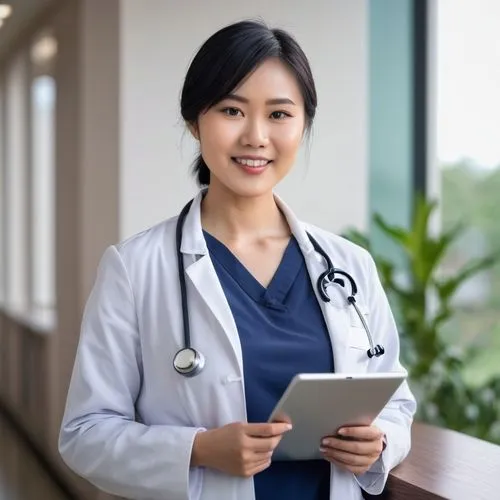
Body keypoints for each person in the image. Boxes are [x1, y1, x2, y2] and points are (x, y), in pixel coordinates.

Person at [59, 19, 416, 500]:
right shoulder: (134, 268)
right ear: (195, 121)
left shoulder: (348, 265)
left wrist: (380, 442)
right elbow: (85, 435)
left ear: (303, 123)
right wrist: (198, 450)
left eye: (279, 114)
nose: (255, 136)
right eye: (231, 110)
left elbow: (394, 402)